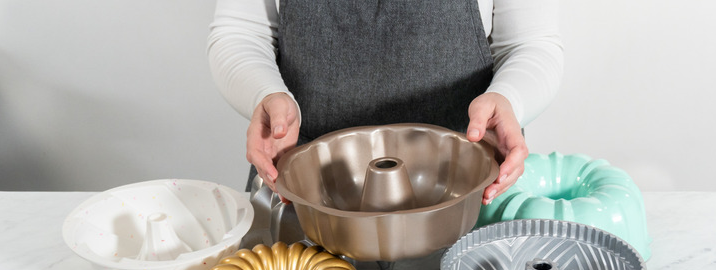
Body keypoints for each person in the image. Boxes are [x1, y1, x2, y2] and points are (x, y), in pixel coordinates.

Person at [208, 0, 563, 205]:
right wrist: (265, 95)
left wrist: (508, 99)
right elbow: (241, 34)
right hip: (301, 198)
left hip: (468, 200)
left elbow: (530, 44)